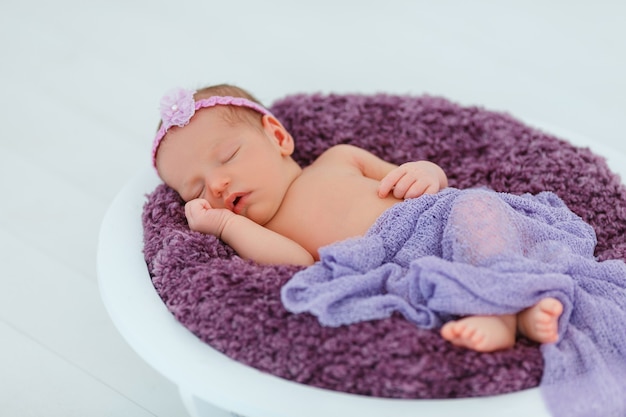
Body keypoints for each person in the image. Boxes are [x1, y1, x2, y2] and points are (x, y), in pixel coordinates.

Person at [152, 83, 563, 353]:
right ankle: (514, 315)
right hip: (395, 266)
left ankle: (507, 307)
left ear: (277, 136)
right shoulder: (264, 231)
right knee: (421, 290)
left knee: (477, 210)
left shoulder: (339, 157)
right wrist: (225, 225)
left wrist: (425, 171)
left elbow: (418, 180)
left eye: (227, 157)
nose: (218, 185)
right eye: (196, 189)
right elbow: (296, 264)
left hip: (434, 221)